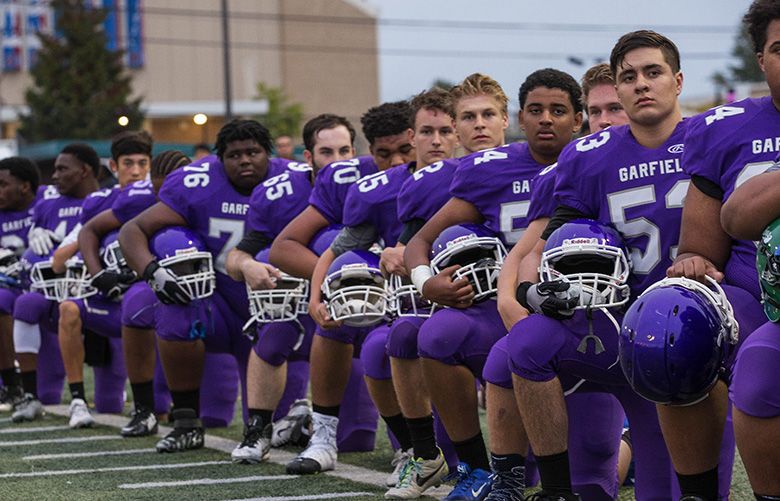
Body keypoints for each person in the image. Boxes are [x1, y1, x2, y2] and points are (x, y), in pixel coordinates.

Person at [404, 68, 583, 501]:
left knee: (592, 474)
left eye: (557, 110)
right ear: (521, 118)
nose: (545, 119)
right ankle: (477, 466)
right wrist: (428, 284)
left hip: (580, 305)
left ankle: (622, 440)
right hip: (500, 306)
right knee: (436, 333)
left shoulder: (593, 158)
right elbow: (420, 241)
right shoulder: (488, 169)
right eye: (536, 110)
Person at [668, 2, 780, 498]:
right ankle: (699, 491)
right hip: (754, 300)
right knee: (670, 319)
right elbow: (702, 243)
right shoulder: (728, 126)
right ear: (761, 58)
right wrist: (691, 260)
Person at [120, 119, 282, 452]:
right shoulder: (197, 182)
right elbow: (132, 230)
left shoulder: (293, 181)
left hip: (278, 306)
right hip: (218, 305)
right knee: (175, 308)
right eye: (234, 155)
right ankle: (186, 421)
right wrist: (153, 272)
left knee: (300, 432)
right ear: (220, 159)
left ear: (267, 154)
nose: (245, 160)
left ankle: (314, 417)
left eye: (253, 152)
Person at [273, 102, 416, 475]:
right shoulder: (357, 182)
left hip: (448, 292)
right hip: (386, 297)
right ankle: (323, 434)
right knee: (348, 289)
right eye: (384, 153)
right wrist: (336, 282)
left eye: (405, 149)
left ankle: (420, 445)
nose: (397, 162)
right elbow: (283, 247)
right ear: (369, 150)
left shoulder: (454, 173)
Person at [224, 113, 358, 463]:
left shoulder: (374, 183)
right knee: (275, 328)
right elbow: (237, 255)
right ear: (308, 157)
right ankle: (258, 427)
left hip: (363, 301)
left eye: (345, 151)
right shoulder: (278, 193)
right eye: (327, 152)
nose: (338, 161)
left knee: (358, 440)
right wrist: (247, 264)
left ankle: (412, 445)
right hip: (304, 301)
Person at [78, 149, 189, 436]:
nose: (164, 199)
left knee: (216, 415)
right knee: (137, 304)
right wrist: (98, 273)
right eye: (158, 190)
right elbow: (90, 230)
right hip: (156, 280)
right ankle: (144, 407)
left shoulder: (208, 194)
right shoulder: (139, 199)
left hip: (213, 284)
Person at [57, 131, 152, 428]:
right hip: (107, 301)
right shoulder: (99, 201)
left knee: (158, 407)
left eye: (141, 163)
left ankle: (156, 402)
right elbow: (59, 260)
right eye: (128, 163)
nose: (135, 171)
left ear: (150, 165)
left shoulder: (159, 196)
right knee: (68, 309)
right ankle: (77, 401)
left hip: (144, 303)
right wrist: (96, 268)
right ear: (114, 166)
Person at [11, 144, 100, 422]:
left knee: (109, 402)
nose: (55, 175)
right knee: (25, 303)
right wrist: (34, 234)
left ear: (84, 170)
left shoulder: (103, 199)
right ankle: (29, 395)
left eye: (62, 169)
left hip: (96, 294)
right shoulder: (47, 203)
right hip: (53, 293)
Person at [0, 157, 41, 410]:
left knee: (49, 394)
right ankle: (12, 384)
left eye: (3, 184)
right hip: (10, 288)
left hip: (45, 289)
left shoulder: (47, 202)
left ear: (25, 186)